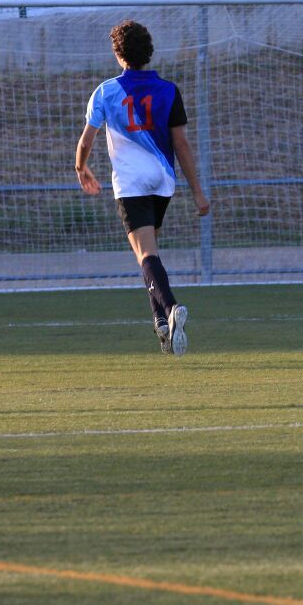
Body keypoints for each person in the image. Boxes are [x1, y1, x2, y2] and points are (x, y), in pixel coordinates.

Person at [75, 19, 210, 355]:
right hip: (163, 180)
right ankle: (161, 324)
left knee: (146, 253)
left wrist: (81, 168)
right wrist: (198, 191)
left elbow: (86, 141)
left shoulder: (106, 91)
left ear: (118, 54)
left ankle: (171, 309)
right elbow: (182, 144)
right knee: (148, 255)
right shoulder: (169, 89)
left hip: (131, 183)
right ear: (148, 52)